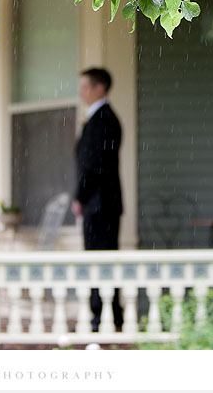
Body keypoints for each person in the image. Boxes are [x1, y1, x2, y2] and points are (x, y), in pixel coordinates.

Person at [71, 67, 124, 332]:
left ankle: (101, 318)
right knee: (102, 260)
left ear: (100, 88)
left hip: (100, 202)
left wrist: (79, 196)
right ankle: (108, 316)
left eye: (86, 87)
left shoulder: (102, 119)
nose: (82, 92)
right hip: (101, 202)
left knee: (100, 261)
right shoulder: (98, 119)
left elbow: (93, 165)